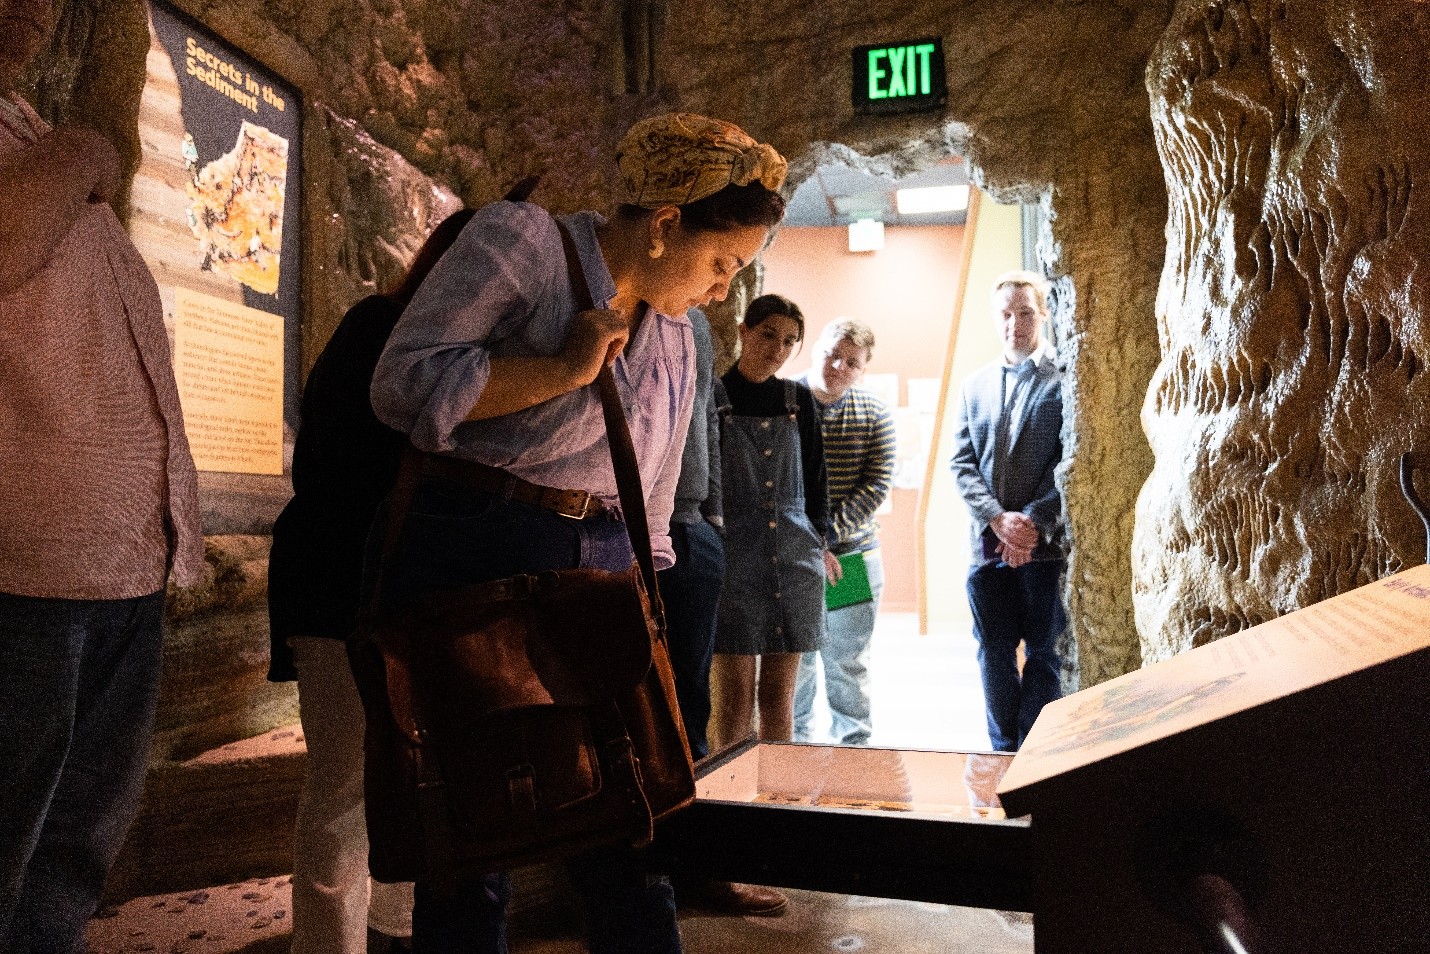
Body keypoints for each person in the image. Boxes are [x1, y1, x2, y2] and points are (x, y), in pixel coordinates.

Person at [368, 112, 786, 954]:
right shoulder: (525, 245)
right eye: (721, 264)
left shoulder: (681, 337)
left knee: (633, 828)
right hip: (481, 561)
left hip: (602, 573)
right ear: (664, 225)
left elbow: (653, 502)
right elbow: (401, 383)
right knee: (476, 839)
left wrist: (648, 605)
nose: (721, 290)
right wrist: (561, 370)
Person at [0, 0, 204, 948]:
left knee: (70, 855)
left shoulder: (24, 128)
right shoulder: (56, 149)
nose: (38, 7)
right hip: (28, 573)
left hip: (115, 569)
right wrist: (87, 149)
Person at [267, 213, 478, 954]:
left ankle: (393, 934)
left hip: (404, 589)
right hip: (342, 587)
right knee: (345, 786)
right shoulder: (380, 328)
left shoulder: (449, 351)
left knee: (410, 782)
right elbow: (336, 469)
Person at [949, 270, 1066, 753]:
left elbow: (1070, 460)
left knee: (1043, 653)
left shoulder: (1064, 381)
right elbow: (961, 464)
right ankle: (1003, 752)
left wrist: (1033, 523)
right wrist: (998, 520)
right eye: (1005, 314)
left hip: (1045, 549)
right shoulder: (974, 385)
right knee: (993, 652)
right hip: (986, 546)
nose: (1014, 324)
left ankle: (1035, 753)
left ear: (1043, 314)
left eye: (1025, 313)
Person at [710, 293, 834, 748]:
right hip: (733, 557)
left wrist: (822, 543)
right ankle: (733, 787)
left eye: (788, 341)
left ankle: (777, 787)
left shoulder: (798, 400)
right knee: (734, 701)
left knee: (780, 699)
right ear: (744, 331)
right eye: (767, 335)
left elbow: (818, 480)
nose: (777, 349)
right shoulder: (714, 397)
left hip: (795, 558)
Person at [792, 318, 896, 746]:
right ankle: (793, 748)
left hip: (850, 558)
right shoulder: (783, 401)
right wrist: (808, 543)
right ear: (817, 348)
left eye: (851, 362)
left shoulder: (875, 412)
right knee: (794, 662)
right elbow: (774, 483)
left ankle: (853, 748)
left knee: (847, 662)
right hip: (793, 559)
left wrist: (826, 539)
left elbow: (876, 485)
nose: (838, 366)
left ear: (863, 369)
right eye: (833, 354)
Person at [655, 308, 724, 764]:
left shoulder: (697, 325)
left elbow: (707, 418)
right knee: (633, 674)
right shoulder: (622, 300)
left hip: (694, 526)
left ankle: (693, 782)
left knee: (693, 683)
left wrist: (714, 516)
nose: (720, 288)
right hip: (628, 525)